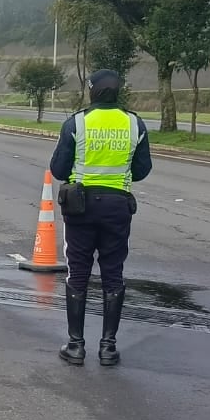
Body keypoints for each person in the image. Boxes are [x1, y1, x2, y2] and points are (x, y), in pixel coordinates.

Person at [48, 69, 152, 366]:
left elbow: (57, 169)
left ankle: (76, 345)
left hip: (80, 207)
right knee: (113, 271)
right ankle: (108, 347)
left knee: (78, 271)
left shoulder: (77, 123)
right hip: (117, 206)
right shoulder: (134, 123)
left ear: (91, 91)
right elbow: (142, 170)